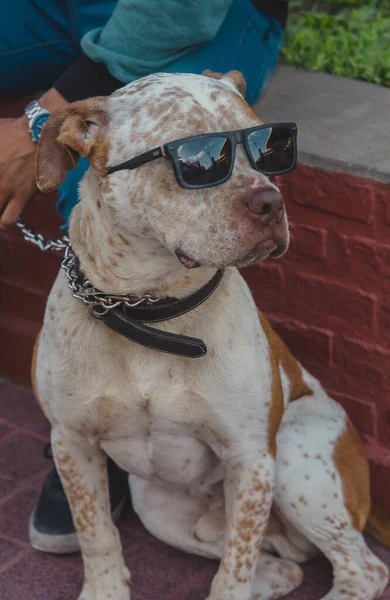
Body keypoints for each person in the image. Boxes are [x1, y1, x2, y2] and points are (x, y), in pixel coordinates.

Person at [0, 0, 288, 554]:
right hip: (77, 10)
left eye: (266, 147)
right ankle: (88, 415)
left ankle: (102, 431)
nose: (269, 195)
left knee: (76, 189)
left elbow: (176, 13)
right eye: (198, 163)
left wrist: (38, 121)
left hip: (192, 14)